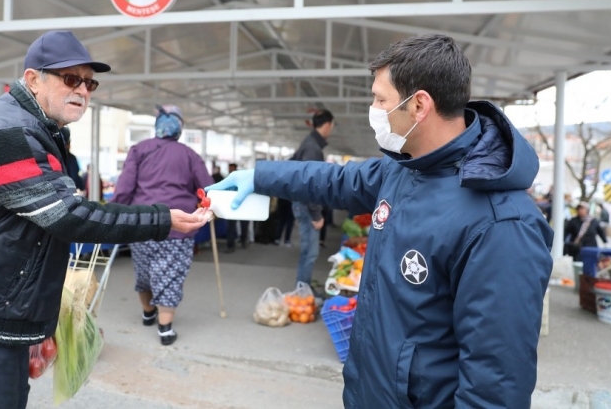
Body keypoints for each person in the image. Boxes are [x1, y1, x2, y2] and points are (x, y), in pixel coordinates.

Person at [207, 34, 553, 408]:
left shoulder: (501, 225)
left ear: (419, 104)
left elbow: (495, 386)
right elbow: (336, 180)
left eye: (380, 99)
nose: (374, 109)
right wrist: (260, 176)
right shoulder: (406, 168)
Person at [0, 30, 208, 409]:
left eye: (89, 82)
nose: (83, 90)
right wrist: (161, 219)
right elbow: (66, 216)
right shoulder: (8, 134)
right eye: (71, 78)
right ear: (33, 80)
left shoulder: (38, 128)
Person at [111, 105, 213, 345]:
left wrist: (114, 213)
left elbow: (124, 188)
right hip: (177, 228)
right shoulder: (189, 154)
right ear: (179, 127)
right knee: (170, 275)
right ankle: (165, 328)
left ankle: (148, 313)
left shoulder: (139, 150)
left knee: (144, 272)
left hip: (142, 223)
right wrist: (209, 206)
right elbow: (207, 188)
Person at [288, 109, 334, 285]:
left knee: (309, 251)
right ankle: (302, 290)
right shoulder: (313, 148)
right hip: (306, 205)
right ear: (328, 125)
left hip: (301, 203)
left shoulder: (309, 144)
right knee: (310, 252)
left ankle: (303, 287)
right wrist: (316, 214)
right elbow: (310, 183)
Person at [225, 162, 250, 253]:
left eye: (232, 168)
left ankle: (243, 241)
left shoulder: (240, 180)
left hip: (242, 205)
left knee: (244, 225)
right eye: (229, 168)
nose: (230, 170)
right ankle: (231, 245)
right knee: (231, 227)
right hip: (232, 207)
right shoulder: (228, 179)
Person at [60, 127, 84, 192]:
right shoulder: (70, 158)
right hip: (67, 192)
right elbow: (75, 177)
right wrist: (81, 187)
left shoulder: (51, 155)